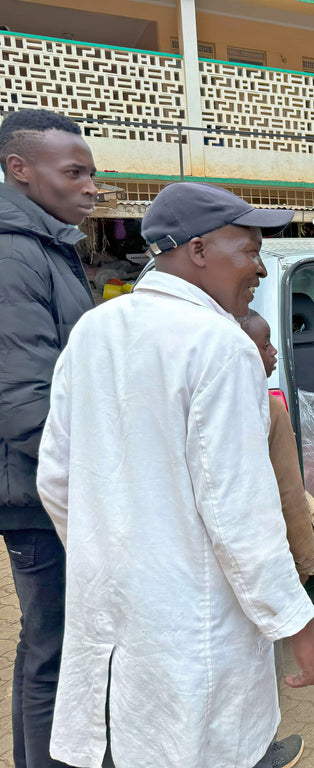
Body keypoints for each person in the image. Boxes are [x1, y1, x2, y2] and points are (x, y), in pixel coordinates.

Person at [36, 182, 314, 768]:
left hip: (118, 597)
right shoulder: (220, 346)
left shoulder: (95, 329)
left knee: (138, 737)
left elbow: (56, 477)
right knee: (204, 744)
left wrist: (111, 557)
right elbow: (239, 513)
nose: (260, 270)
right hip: (195, 612)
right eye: (249, 251)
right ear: (198, 251)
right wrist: (297, 625)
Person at [0, 108, 97, 768]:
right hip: (39, 494)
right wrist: (96, 483)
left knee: (45, 642)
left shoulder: (43, 244)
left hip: (44, 487)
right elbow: (26, 403)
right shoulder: (14, 255)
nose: (91, 185)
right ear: (20, 169)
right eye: (75, 172)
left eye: (93, 172)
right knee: (55, 651)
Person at [240, 309, 314, 583]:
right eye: (265, 346)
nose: (274, 351)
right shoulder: (269, 409)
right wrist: (305, 559)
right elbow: (289, 493)